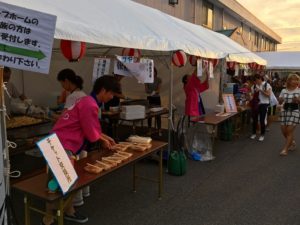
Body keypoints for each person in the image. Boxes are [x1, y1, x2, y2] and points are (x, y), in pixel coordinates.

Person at [42, 76, 120, 225]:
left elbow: (89, 126)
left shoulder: (86, 101)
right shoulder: (90, 104)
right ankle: (48, 219)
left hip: (55, 143)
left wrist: (105, 137)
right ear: (103, 90)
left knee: (57, 183)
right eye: (111, 94)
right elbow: (91, 133)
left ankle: (66, 212)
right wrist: (103, 140)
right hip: (61, 146)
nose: (111, 97)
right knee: (60, 184)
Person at [278, 74, 300, 156]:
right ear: (289, 81)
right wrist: (280, 100)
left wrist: (298, 100)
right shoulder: (284, 90)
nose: (295, 81)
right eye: (294, 79)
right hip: (285, 111)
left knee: (289, 131)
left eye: (297, 80)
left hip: (295, 111)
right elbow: (280, 102)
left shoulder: (299, 90)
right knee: (284, 131)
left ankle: (285, 149)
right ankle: (292, 142)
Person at [249, 74, 272, 142]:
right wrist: (249, 96)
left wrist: (260, 90)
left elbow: (268, 95)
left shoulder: (266, 85)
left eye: (256, 80)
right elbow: (252, 96)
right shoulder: (253, 86)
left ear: (260, 79)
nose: (255, 82)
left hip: (264, 104)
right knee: (254, 120)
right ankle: (254, 133)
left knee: (262, 120)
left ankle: (262, 135)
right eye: (254, 81)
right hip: (256, 105)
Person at [145, 68, 162, 135]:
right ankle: (149, 129)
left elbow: (158, 90)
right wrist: (152, 92)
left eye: (154, 71)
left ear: (156, 72)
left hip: (156, 98)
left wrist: (154, 92)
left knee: (158, 114)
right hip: (150, 98)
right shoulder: (147, 79)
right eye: (151, 71)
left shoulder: (158, 79)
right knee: (149, 114)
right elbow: (146, 90)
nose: (153, 73)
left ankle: (159, 130)